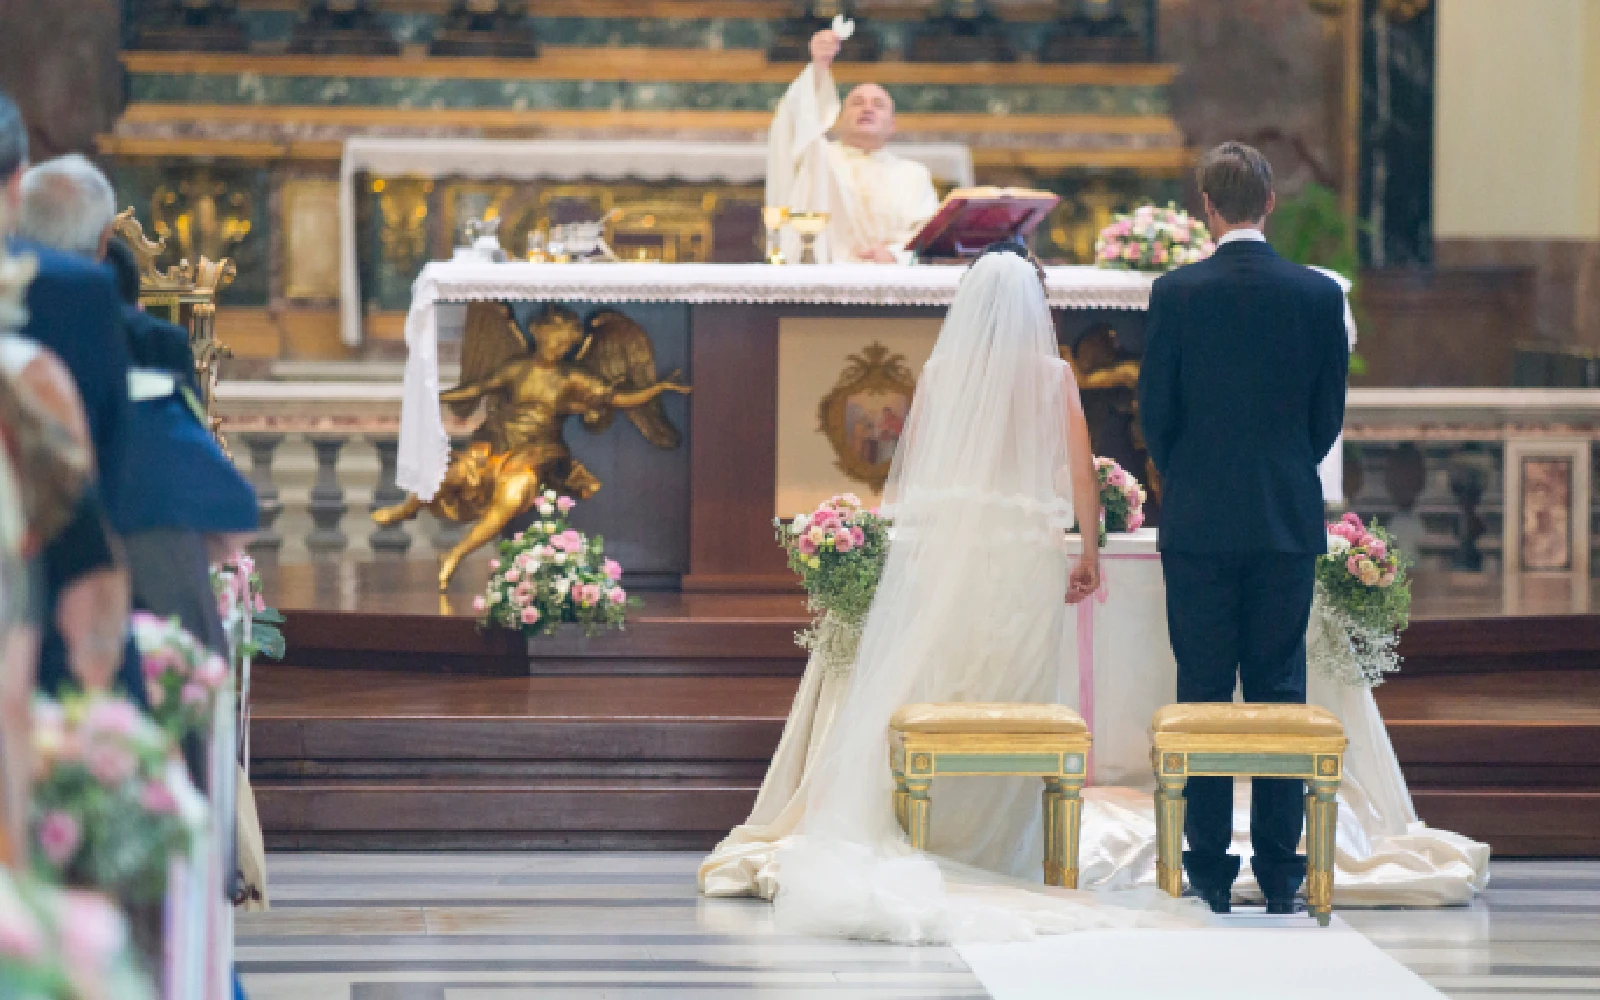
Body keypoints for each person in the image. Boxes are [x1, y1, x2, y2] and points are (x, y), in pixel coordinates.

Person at [699, 247, 1197, 945]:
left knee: (946, 678)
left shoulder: (941, 373)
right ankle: (1001, 848)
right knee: (1014, 691)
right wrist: (1088, 549)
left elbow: (921, 471)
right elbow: (1080, 472)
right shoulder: (1053, 375)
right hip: (1024, 553)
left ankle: (928, 829)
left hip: (954, 549)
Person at [1137, 142, 1349, 915]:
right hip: (1284, 517)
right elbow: (1327, 415)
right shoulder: (1318, 295)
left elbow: (1155, 412)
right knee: (1279, 692)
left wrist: (1191, 473)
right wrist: (1285, 467)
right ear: (1270, 203)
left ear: (1207, 207)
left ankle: (1208, 870)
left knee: (1202, 690)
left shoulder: (1176, 292)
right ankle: (1282, 872)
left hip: (1198, 517)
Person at [766, 28, 941, 264]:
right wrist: (818, 70)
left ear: (892, 125)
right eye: (857, 103)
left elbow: (929, 235)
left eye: (878, 105)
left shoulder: (913, 175)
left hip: (891, 277)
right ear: (838, 118)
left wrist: (894, 255)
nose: (867, 109)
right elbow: (793, 122)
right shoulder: (818, 158)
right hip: (824, 275)